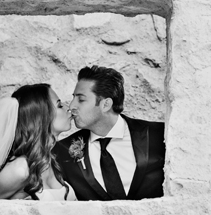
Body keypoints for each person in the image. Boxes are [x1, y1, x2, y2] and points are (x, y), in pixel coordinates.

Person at [54, 66, 165, 201]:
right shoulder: (62, 150)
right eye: (73, 98)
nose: (71, 106)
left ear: (106, 104)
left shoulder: (159, 135)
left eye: (81, 100)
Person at [0, 84, 75, 201]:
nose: (67, 107)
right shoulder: (20, 170)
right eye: (59, 105)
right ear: (39, 117)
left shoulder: (50, 160)